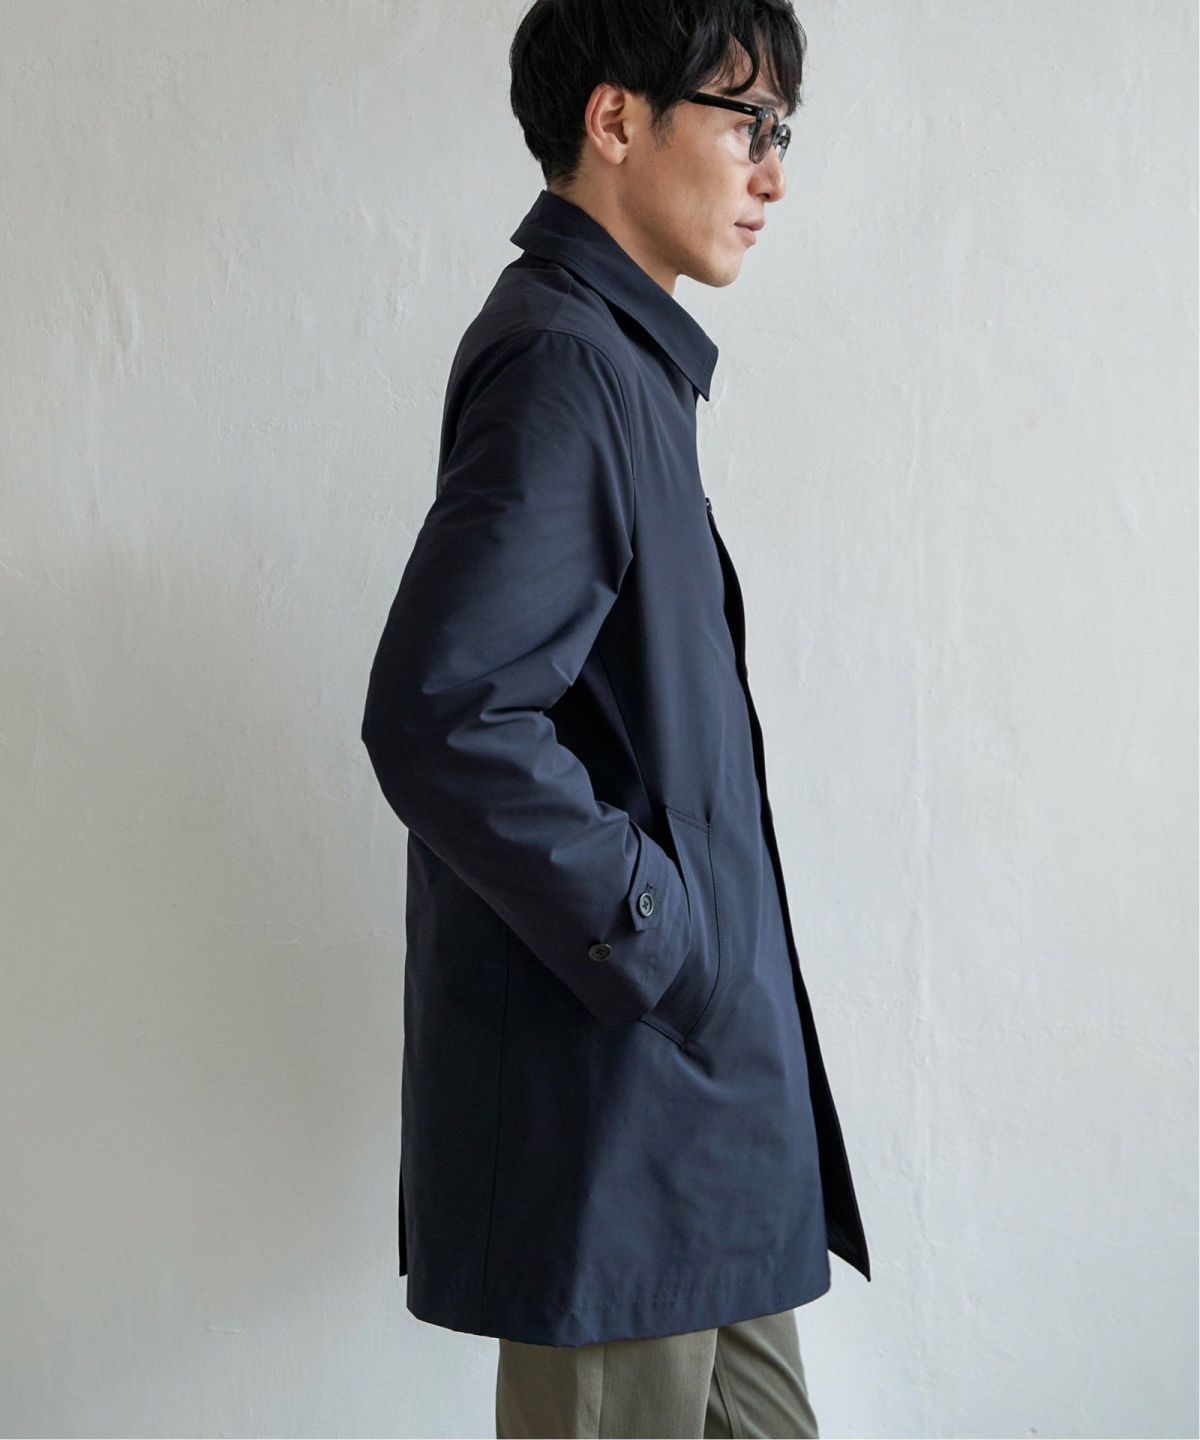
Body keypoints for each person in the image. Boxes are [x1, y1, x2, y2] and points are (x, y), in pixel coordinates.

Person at [360, 2, 870, 1434]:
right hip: (621, 1114)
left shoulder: (622, 364)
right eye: (748, 123)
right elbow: (445, 716)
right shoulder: (568, 365)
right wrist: (666, 942)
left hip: (696, 1113)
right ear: (615, 119)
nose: (773, 174)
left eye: (783, 132)